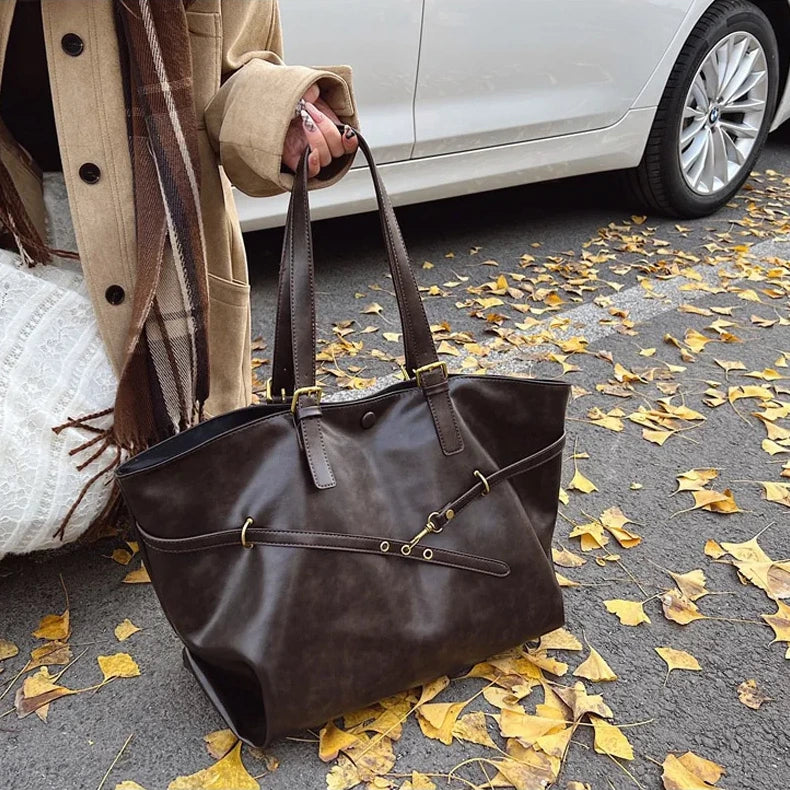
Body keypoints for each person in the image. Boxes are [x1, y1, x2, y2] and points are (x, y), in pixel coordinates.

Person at [0, 0, 359, 556]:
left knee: (68, 466)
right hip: (13, 219)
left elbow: (234, 74)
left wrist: (282, 115)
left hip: (147, 252)